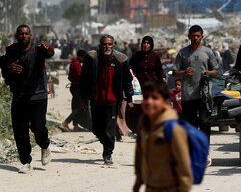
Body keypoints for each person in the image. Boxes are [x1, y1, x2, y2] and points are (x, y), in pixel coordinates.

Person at [0, 25, 54, 173]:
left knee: (38, 126)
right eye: (20, 34)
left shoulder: (39, 49)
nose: (23, 36)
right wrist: (9, 70)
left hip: (38, 95)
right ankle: (26, 162)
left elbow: (50, 52)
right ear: (16, 37)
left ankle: (45, 145)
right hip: (19, 96)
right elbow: (4, 72)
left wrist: (49, 47)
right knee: (20, 130)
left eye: (26, 34)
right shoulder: (11, 51)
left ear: (31, 36)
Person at [79, 34, 133, 165]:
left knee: (109, 129)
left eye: (109, 44)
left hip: (113, 101)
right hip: (96, 99)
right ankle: (107, 143)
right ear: (99, 46)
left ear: (113, 46)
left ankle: (108, 153)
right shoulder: (92, 58)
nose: (107, 47)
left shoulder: (121, 59)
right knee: (97, 129)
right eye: (104, 44)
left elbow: (127, 80)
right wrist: (83, 97)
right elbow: (84, 79)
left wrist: (129, 98)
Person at [133, 80, 192, 192]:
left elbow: (184, 164)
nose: (149, 102)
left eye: (155, 98)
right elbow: (140, 157)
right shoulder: (144, 127)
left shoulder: (174, 129)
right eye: (146, 97)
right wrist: (138, 180)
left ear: (165, 102)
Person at [173, 25, 219, 166]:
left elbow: (216, 71)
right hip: (187, 96)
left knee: (205, 123)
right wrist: (184, 73)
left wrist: (207, 73)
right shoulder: (182, 53)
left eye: (198, 36)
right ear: (189, 37)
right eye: (193, 36)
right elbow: (174, 74)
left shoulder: (208, 52)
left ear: (202, 37)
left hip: (204, 95)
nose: (195, 38)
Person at [62, 49, 90, 131]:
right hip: (77, 88)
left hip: (74, 86)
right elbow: (80, 75)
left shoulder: (73, 63)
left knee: (75, 106)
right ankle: (66, 122)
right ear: (80, 57)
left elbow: (70, 77)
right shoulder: (77, 64)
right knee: (79, 107)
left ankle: (76, 125)